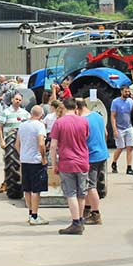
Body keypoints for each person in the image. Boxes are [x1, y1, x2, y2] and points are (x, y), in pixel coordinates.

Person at [50, 98, 90, 235]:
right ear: (76, 108)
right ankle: (80, 220)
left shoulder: (59, 123)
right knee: (81, 193)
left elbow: (53, 146)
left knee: (70, 193)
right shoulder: (84, 121)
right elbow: (86, 137)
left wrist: (54, 164)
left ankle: (75, 223)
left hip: (67, 162)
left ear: (64, 107)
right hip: (83, 161)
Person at [16, 105, 49, 226]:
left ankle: (30, 213)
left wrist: (22, 155)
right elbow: (41, 143)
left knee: (27, 189)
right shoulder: (40, 125)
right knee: (36, 190)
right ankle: (35, 215)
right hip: (36, 161)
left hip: (25, 160)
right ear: (41, 115)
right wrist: (44, 157)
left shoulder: (22, 125)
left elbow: (17, 144)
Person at [78, 98, 108, 225]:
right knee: (90, 184)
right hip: (102, 153)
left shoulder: (82, 121)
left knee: (90, 186)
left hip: (91, 156)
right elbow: (106, 134)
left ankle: (96, 214)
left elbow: (82, 139)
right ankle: (87, 209)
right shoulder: (97, 115)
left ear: (76, 108)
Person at [0, 92, 30, 194]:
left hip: (23, 141)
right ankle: (6, 182)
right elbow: (0, 126)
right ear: (12, 100)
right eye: (16, 99)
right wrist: (1, 140)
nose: (18, 101)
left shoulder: (25, 113)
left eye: (19, 100)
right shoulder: (6, 112)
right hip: (10, 140)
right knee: (9, 162)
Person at [110, 85, 133, 175]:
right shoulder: (115, 102)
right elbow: (112, 116)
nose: (127, 93)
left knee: (130, 147)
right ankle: (114, 162)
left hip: (128, 127)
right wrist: (114, 129)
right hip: (119, 128)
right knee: (120, 147)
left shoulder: (130, 101)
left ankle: (129, 167)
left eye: (128, 92)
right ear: (121, 92)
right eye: (125, 92)